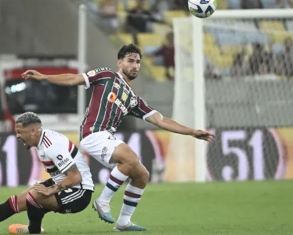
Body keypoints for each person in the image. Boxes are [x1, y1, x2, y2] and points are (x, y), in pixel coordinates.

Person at [22, 44, 215, 231]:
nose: (135, 65)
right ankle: (102, 201)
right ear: (120, 63)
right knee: (129, 158)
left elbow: (161, 120)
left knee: (141, 175)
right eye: (130, 60)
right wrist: (44, 77)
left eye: (138, 62)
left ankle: (124, 221)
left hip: (105, 137)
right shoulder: (107, 76)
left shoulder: (133, 99)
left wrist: (191, 131)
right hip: (93, 133)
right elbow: (74, 79)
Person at [0, 112, 95, 234]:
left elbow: (75, 176)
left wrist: (51, 189)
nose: (17, 136)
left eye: (20, 132)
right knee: (16, 201)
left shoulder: (51, 145)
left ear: (33, 131)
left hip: (80, 192)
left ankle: (33, 230)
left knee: (34, 196)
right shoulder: (42, 141)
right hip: (64, 183)